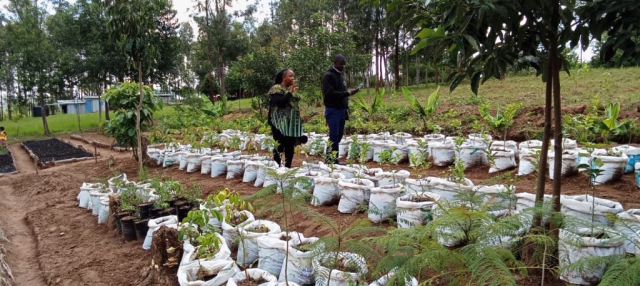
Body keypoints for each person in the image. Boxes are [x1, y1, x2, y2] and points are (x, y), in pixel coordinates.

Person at [321, 55, 360, 164]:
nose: (343, 66)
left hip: (341, 110)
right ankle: (332, 160)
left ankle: (331, 158)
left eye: (344, 64)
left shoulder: (340, 76)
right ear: (335, 63)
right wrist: (347, 93)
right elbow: (330, 94)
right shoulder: (328, 76)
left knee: (338, 135)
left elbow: (342, 93)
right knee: (333, 136)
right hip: (333, 110)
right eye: (341, 64)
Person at [267, 69, 307, 168]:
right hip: (278, 122)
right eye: (290, 76)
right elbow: (279, 102)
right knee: (279, 145)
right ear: (283, 77)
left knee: (290, 145)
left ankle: (287, 167)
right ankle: (277, 167)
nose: (293, 78)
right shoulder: (276, 88)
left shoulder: (292, 89)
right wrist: (290, 93)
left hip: (291, 123)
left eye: (293, 76)